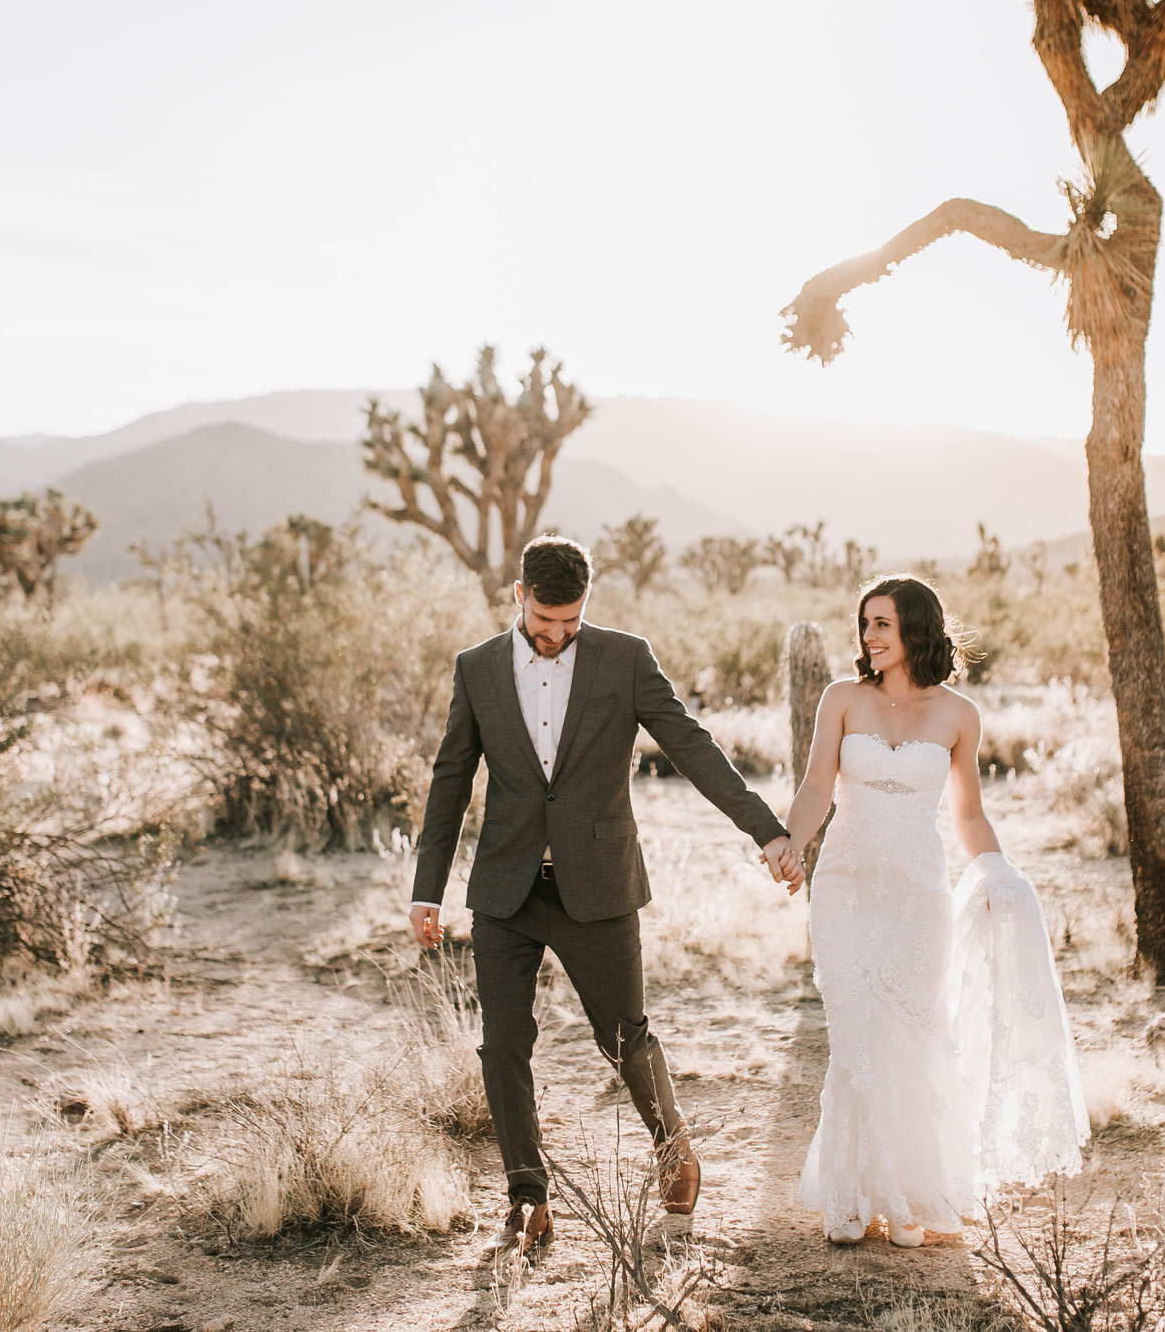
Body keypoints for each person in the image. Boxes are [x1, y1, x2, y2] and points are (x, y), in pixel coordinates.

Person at [409, 535, 796, 1254]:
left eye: (572, 623)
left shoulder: (626, 657)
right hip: (506, 887)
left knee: (624, 1036)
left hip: (600, 883)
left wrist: (766, 831)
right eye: (544, 621)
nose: (556, 637)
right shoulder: (478, 668)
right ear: (517, 595)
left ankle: (673, 1147)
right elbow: (450, 779)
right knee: (503, 1045)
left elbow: (692, 746)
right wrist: (425, 888)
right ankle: (527, 1196)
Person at [778, 575, 1089, 1247]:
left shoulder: (957, 714)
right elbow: (815, 789)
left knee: (912, 1039)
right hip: (845, 890)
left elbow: (968, 812)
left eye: (882, 623)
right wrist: (790, 845)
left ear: (916, 627)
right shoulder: (841, 698)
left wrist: (997, 872)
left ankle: (913, 1195)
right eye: (864, 623)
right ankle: (854, 1196)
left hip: (919, 895)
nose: (868, 636)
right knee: (855, 1035)